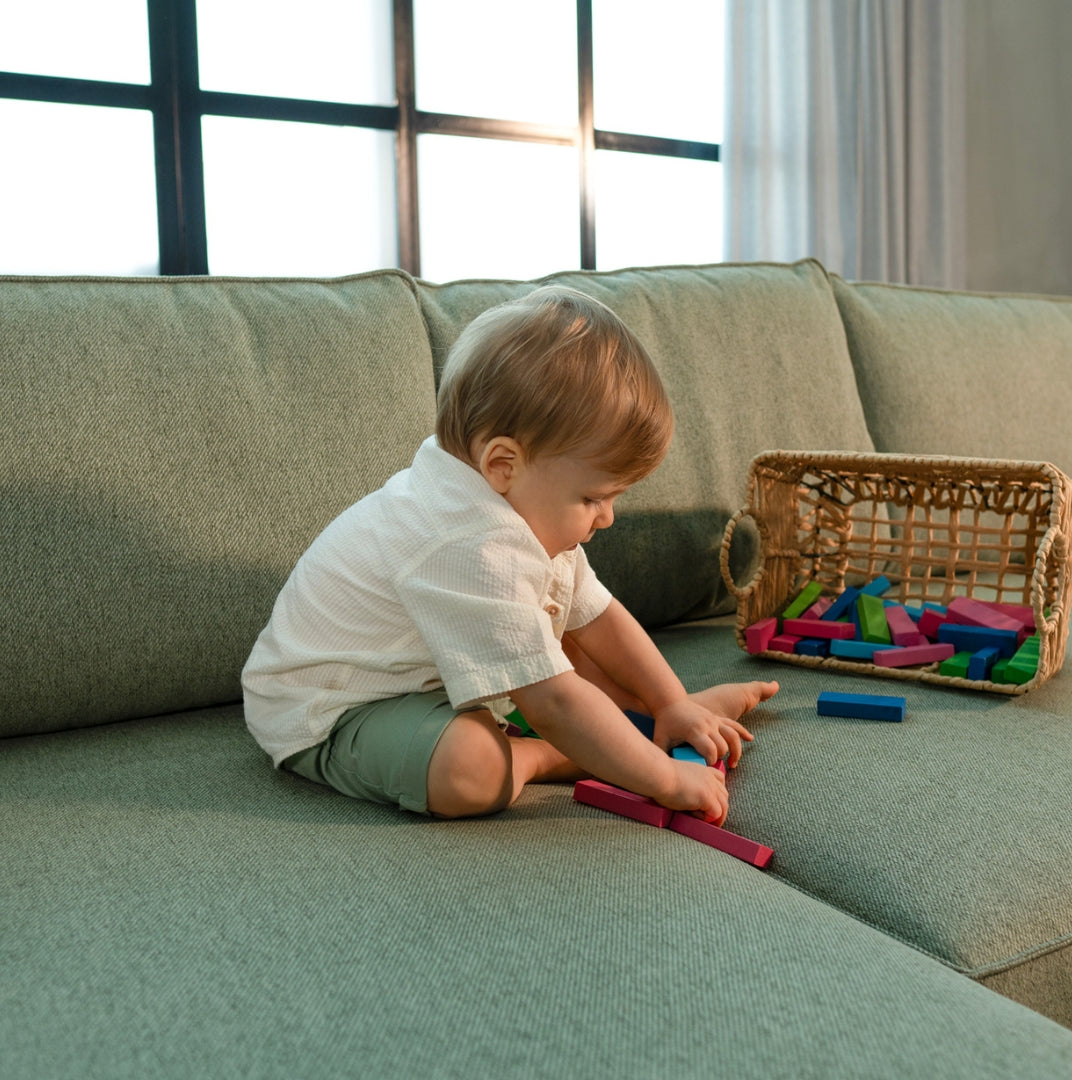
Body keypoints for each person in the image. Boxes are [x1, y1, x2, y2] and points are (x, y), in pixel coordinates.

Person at [242, 286, 778, 822]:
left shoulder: (512, 503)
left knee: (569, 635)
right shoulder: (465, 543)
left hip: (430, 677)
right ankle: (549, 753)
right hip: (334, 710)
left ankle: (646, 727)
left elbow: (600, 618)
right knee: (471, 769)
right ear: (502, 464)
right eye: (593, 498)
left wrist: (671, 702)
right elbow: (555, 700)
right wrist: (665, 780)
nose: (608, 517)